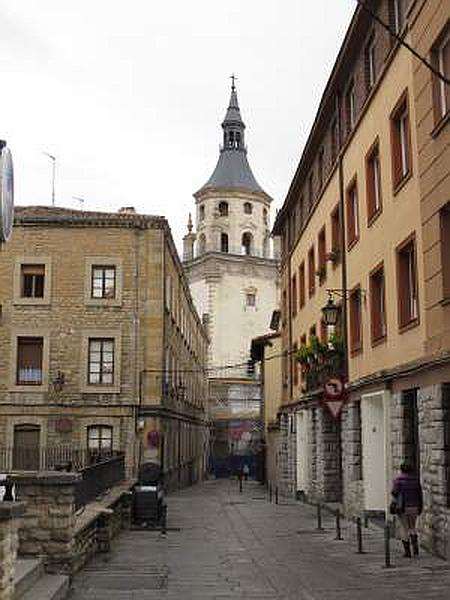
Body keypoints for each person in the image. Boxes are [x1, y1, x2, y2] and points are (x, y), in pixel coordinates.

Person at [391, 463, 423, 557]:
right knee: (412, 527)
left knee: (404, 528)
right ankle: (416, 549)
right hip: (414, 507)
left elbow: (394, 493)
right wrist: (420, 507)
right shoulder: (416, 481)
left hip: (403, 507)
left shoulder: (398, 481)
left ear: (401, 470)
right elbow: (420, 495)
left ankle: (407, 552)